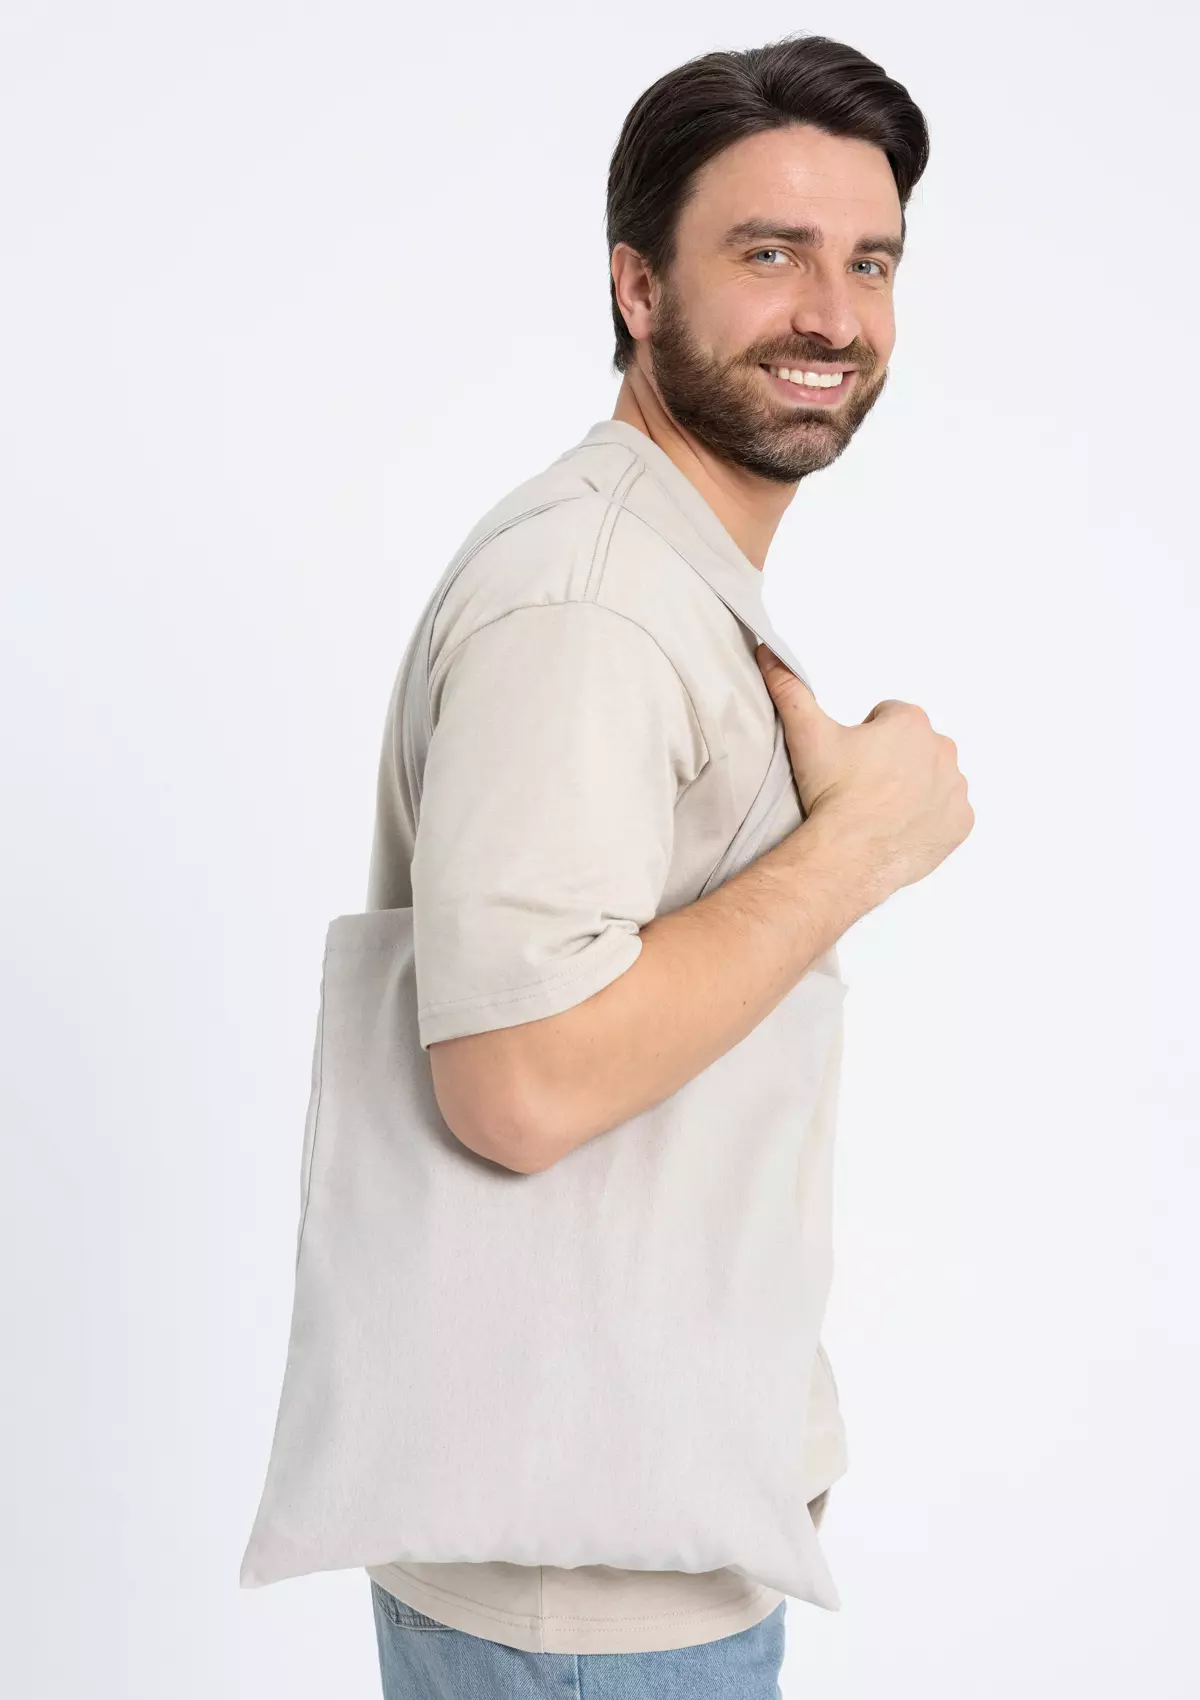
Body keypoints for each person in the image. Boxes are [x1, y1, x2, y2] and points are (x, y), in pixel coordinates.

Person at [362, 30, 972, 1700]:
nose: (832, 316)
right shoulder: (592, 603)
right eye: (769, 254)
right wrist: (858, 850)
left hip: (629, 1526)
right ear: (638, 287)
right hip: (581, 1594)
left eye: (869, 263)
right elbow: (517, 1080)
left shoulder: (663, 574)